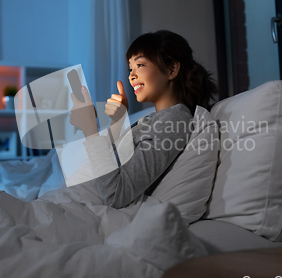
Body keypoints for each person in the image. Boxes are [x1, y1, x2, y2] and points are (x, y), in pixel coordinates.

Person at [69, 30, 218, 209]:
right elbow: (106, 165)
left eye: (140, 65)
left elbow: (115, 194)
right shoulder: (155, 119)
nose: (131, 75)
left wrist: (90, 129)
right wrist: (118, 122)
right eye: (130, 68)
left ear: (172, 69)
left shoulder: (173, 122)